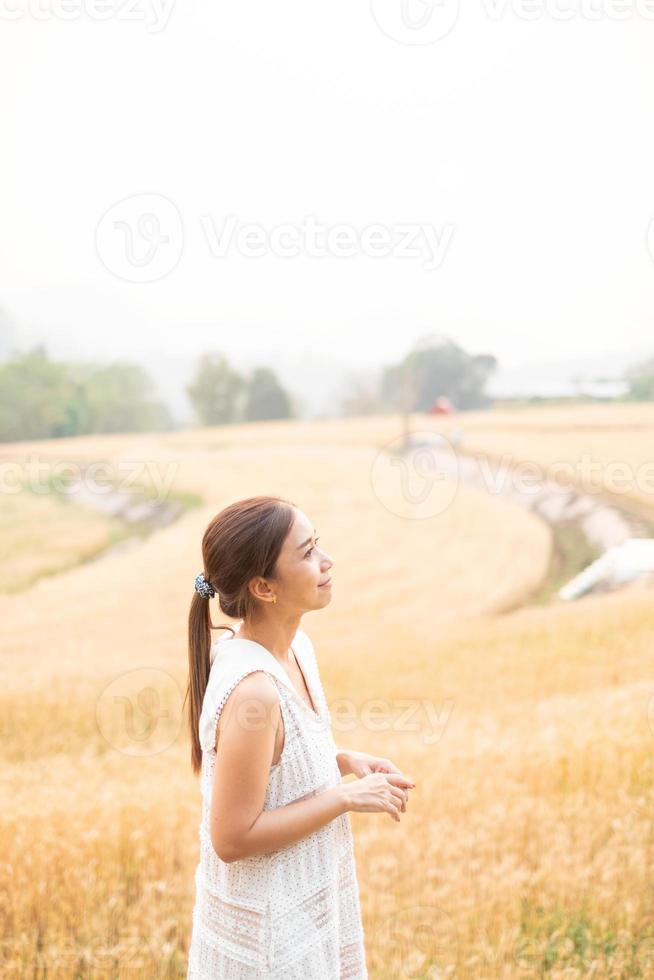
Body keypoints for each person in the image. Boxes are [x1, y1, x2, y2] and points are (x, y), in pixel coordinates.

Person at [185, 494, 415, 978]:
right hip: (269, 938)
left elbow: (276, 766)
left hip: (305, 911)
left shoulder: (296, 650)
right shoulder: (253, 692)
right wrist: (346, 799)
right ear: (264, 587)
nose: (327, 562)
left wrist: (343, 759)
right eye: (308, 553)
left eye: (318, 545)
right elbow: (231, 837)